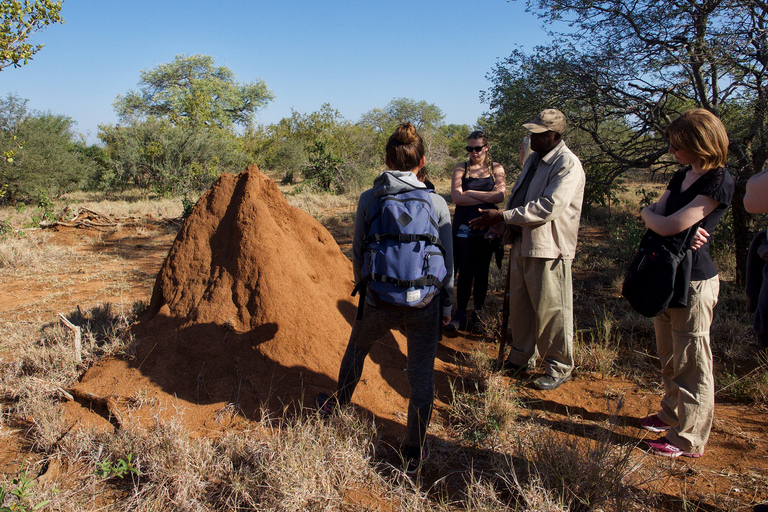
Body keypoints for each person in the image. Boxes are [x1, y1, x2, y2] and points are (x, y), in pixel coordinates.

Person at [316, 123, 454, 477]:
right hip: (425, 304)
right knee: (421, 377)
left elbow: (358, 250)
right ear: (422, 162)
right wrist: (446, 306)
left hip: (378, 300)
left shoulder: (369, 198)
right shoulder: (437, 202)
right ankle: (414, 447)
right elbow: (448, 263)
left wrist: (368, 287)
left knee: (357, 350)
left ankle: (338, 404)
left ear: (387, 159)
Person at [637, 108, 734, 458]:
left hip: (694, 281)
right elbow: (658, 214)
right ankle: (670, 414)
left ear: (700, 143)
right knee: (669, 354)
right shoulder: (682, 176)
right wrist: (654, 217)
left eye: (678, 145)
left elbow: (665, 223)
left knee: (692, 360)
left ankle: (689, 438)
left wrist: (654, 218)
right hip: (667, 274)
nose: (671, 152)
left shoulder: (719, 180)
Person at [470, 108, 585, 391]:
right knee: (521, 307)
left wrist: (504, 217)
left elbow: (549, 206)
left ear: (554, 135)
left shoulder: (567, 163)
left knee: (551, 309)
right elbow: (520, 198)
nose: (531, 138)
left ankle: (558, 366)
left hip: (549, 247)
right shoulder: (534, 159)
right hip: (523, 243)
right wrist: (505, 226)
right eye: (531, 132)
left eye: (538, 133)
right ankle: (521, 357)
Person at [444, 130, 506, 332]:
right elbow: (457, 198)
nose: (474, 152)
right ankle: (460, 314)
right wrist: (485, 196)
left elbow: (500, 197)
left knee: (482, 271)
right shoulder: (461, 168)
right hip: (464, 225)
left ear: (486, 147)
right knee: (464, 270)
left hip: (488, 225)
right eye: (470, 148)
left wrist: (470, 192)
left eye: (478, 148)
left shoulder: (497, 168)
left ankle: (478, 314)